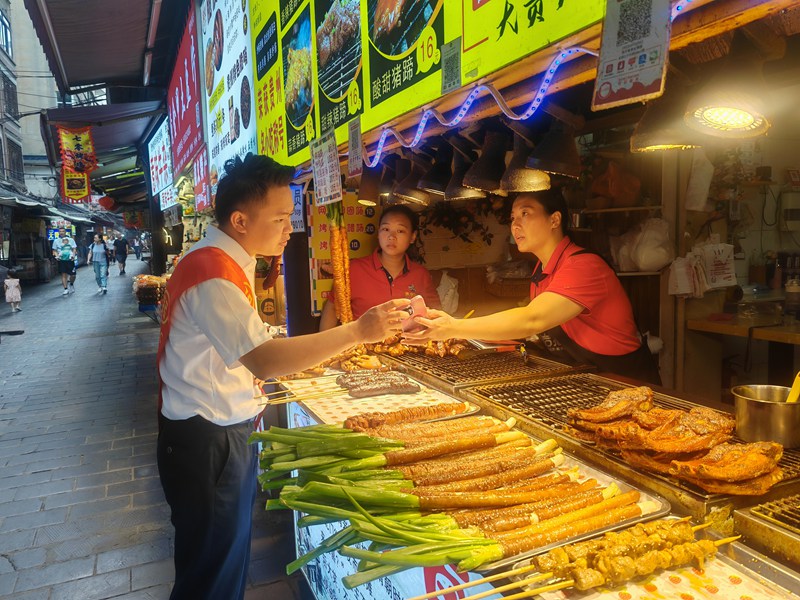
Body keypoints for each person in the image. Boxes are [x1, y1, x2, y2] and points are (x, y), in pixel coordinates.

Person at [156, 153, 409, 600]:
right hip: (208, 440)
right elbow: (265, 359)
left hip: (211, 432)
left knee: (220, 561)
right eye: (280, 218)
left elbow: (248, 346)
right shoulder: (213, 273)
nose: (289, 228)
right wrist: (357, 332)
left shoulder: (225, 259)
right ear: (239, 219)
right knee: (211, 571)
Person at [404, 189, 661, 385]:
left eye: (526, 214)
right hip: (589, 378)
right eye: (513, 217)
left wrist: (453, 326)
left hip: (626, 383)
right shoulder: (542, 269)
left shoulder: (584, 266)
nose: (515, 225)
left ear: (554, 219)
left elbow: (533, 319)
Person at [319, 204, 440, 330]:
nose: (391, 236)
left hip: (408, 346)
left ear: (412, 237)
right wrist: (322, 345)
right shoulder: (354, 269)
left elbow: (436, 314)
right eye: (386, 229)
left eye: (400, 231)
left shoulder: (421, 274)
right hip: (362, 346)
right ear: (378, 233)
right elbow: (333, 307)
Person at [52, 228, 77, 295]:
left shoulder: (71, 240)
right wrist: (57, 256)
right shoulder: (56, 241)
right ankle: (65, 289)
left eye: (63, 231)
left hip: (70, 259)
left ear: (65, 232)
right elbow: (54, 250)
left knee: (73, 275)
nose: (61, 232)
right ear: (58, 232)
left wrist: (73, 256)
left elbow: (74, 248)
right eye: (60, 231)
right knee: (64, 274)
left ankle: (71, 284)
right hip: (62, 260)